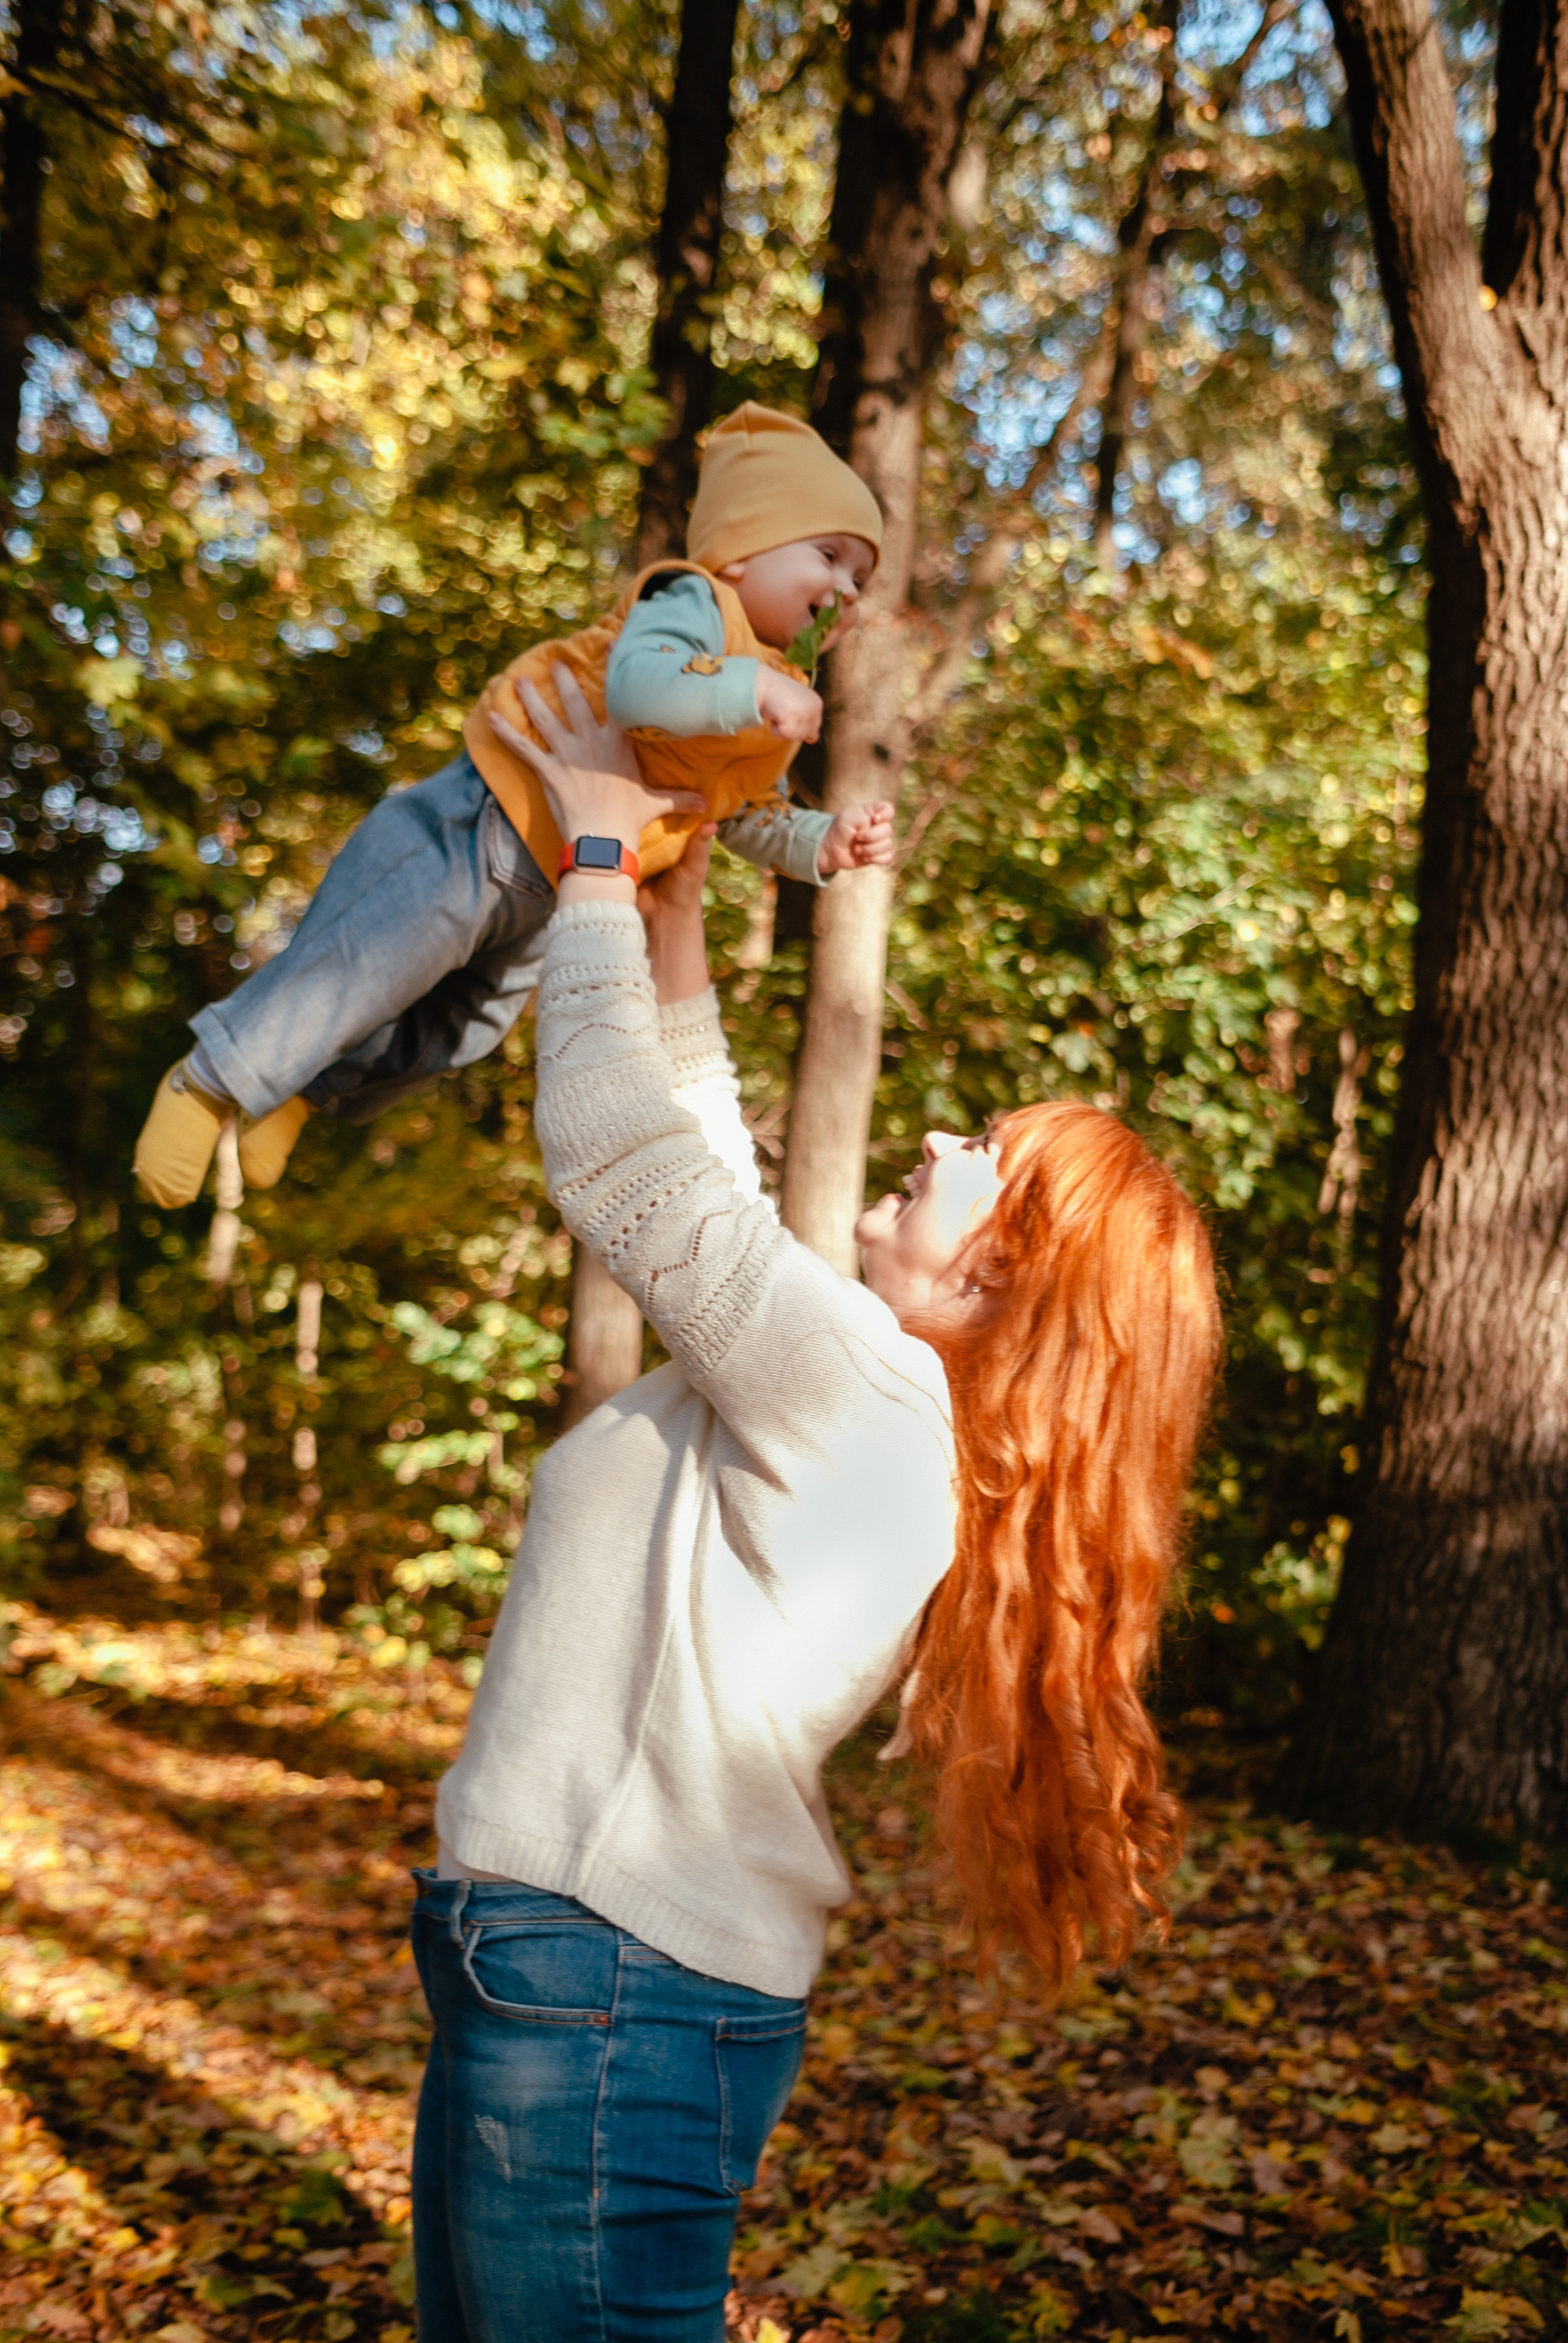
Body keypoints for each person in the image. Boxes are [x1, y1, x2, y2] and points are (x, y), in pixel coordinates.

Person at [408, 678, 1223, 2343]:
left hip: (600, 1986)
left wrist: (585, 865)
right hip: (600, 1983)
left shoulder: (860, 1396)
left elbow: (623, 1160)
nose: (938, 1136)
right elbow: (697, 1162)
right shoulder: (862, 1403)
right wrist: (675, 922)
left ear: (1009, 1278)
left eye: (985, 1149)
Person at [131, 404, 894, 1208]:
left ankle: (304, 1088)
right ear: (741, 549)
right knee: (372, 960)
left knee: (465, 1030)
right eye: (830, 556)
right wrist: (752, 688)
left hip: (559, 885)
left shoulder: (777, 697)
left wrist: (821, 841)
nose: (845, 589)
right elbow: (640, 689)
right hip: (489, 821)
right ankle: (210, 1079)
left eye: (861, 580)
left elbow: (739, 811)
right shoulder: (694, 601)